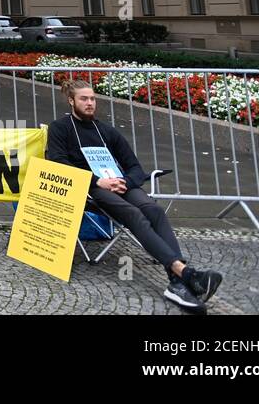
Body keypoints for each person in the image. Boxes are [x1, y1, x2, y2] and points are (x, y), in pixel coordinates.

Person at [46, 80, 223, 311]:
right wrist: (97, 180)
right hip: (90, 188)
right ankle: (184, 273)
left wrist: (125, 182)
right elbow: (58, 162)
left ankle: (178, 283)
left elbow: (135, 168)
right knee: (133, 214)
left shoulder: (106, 131)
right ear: (71, 101)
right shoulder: (61, 128)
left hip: (119, 184)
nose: (90, 103)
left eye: (92, 99)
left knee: (154, 210)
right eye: (84, 99)